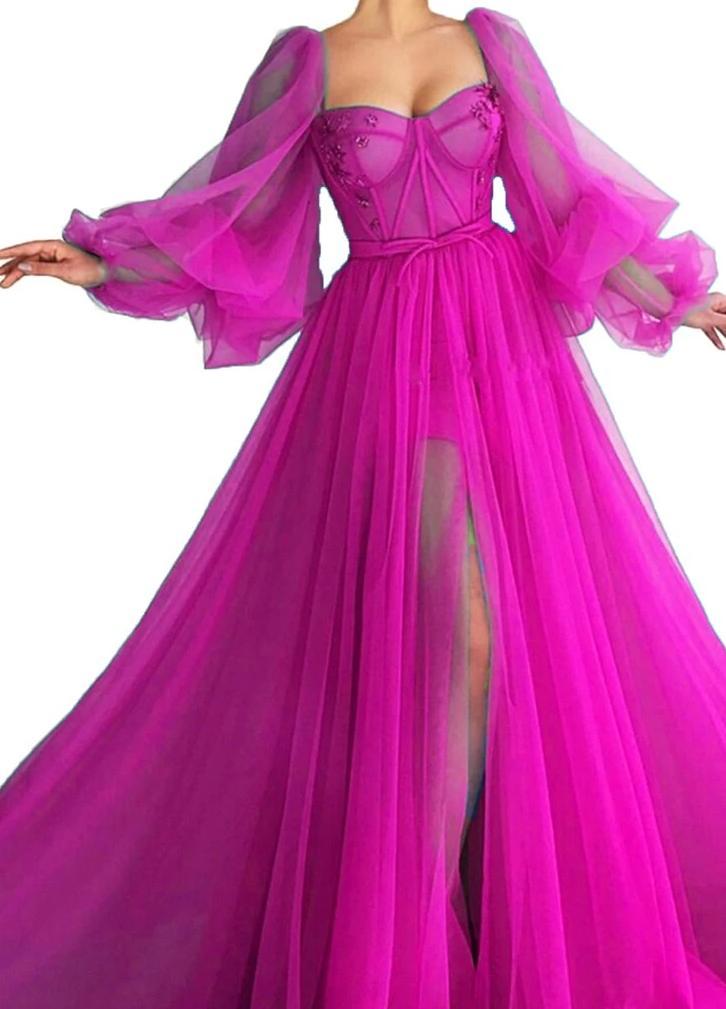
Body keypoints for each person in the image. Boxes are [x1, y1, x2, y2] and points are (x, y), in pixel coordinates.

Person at [1, 4, 725, 1008]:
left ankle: (493, 898)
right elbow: (235, 210)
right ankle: (415, 922)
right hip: (387, 354)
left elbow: (562, 198)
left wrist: (676, 301)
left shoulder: (489, 44)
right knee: (453, 631)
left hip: (502, 345)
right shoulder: (309, 62)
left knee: (519, 631)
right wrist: (105, 265)